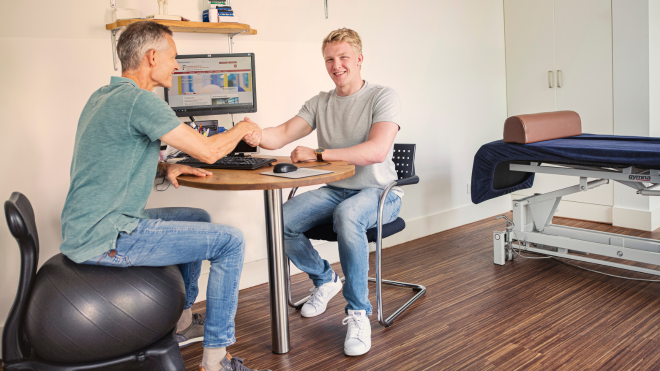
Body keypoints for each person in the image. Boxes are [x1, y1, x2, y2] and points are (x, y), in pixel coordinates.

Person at [59, 21, 268, 371]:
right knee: (230, 241)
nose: (177, 65)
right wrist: (245, 127)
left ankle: (182, 322)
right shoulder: (140, 101)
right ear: (152, 56)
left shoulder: (104, 96)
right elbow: (207, 151)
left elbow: (110, 156)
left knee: (198, 217)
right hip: (109, 236)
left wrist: (166, 169)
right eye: (173, 57)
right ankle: (216, 361)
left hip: (88, 226)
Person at [243, 28, 402, 356]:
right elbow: (282, 134)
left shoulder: (382, 96)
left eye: (344, 57)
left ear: (359, 59)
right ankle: (325, 279)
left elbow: (375, 151)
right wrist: (254, 134)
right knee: (280, 218)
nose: (336, 64)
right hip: (337, 190)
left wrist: (318, 155)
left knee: (348, 215)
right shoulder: (320, 102)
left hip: (380, 193)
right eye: (330, 59)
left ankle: (358, 313)